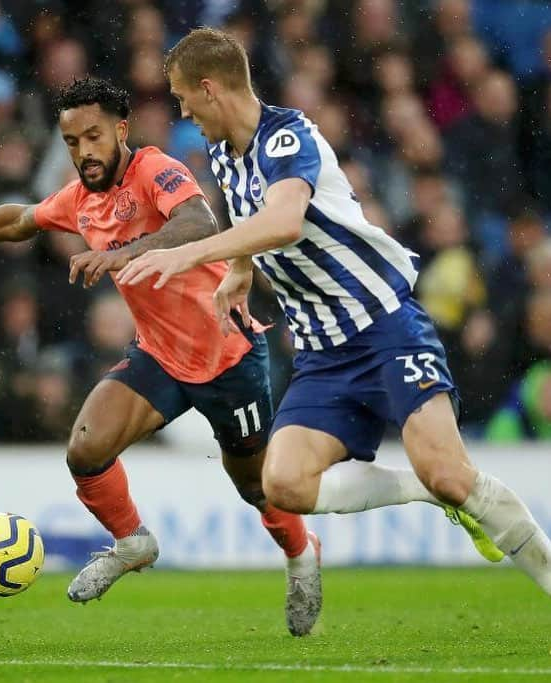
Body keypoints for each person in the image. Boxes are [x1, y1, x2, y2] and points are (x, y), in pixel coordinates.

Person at [117, 28, 551, 597]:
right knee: (285, 483)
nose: (182, 112)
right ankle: (427, 493)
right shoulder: (224, 157)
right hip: (324, 352)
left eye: (183, 98)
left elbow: (285, 220)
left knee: (450, 472)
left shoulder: (288, 136)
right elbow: (255, 225)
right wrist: (240, 270)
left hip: (386, 327)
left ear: (209, 88)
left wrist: (188, 253)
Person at [0, 77, 322, 636]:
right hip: (160, 358)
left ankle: (302, 556)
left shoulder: (156, 169)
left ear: (119, 130)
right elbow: (20, 219)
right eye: (71, 142)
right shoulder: (81, 201)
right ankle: (133, 542)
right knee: (86, 449)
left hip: (228, 356)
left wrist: (123, 255)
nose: (84, 152)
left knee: (258, 488)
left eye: (93, 136)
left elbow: (198, 222)